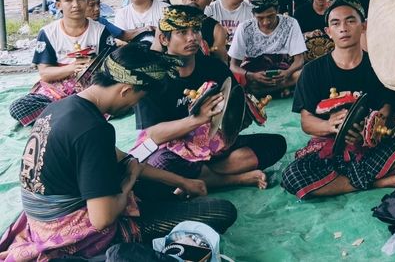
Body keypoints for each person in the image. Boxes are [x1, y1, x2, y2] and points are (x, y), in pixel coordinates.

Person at [0, 43, 237, 261]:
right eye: (137, 99)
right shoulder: (93, 129)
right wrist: (130, 180)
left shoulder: (62, 106)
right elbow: (102, 219)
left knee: (164, 174)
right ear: (125, 90)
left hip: (44, 220)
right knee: (221, 211)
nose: (134, 106)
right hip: (73, 230)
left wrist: (184, 182)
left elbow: (126, 160)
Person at [132, 6, 287, 199]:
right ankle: (234, 179)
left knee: (275, 144)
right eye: (182, 32)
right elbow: (153, 134)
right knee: (160, 164)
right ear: (164, 39)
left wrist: (242, 116)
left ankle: (199, 178)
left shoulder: (213, 66)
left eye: (195, 30)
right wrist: (197, 120)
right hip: (172, 149)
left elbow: (232, 109)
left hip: (213, 143)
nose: (192, 38)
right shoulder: (153, 77)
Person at [280, 0, 395, 199]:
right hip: (331, 146)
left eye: (350, 21)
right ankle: (374, 182)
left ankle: (342, 181)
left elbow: (387, 106)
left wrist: (372, 126)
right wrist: (331, 126)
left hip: (370, 145)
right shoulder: (312, 71)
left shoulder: (378, 66)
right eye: (336, 23)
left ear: (364, 26)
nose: (343, 28)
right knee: (293, 177)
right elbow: (307, 122)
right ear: (328, 32)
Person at [8, 0, 118, 128]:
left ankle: (62, 115)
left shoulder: (100, 31)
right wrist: (72, 68)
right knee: (18, 107)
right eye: (68, 0)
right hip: (55, 92)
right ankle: (75, 114)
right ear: (59, 5)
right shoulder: (48, 32)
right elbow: (45, 73)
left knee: (123, 100)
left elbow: (113, 66)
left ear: (87, 1)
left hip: (90, 90)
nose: (76, 5)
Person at [228, 0, 306, 97]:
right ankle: (281, 90)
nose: (266, 22)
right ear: (253, 14)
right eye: (260, 18)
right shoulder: (244, 27)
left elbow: (299, 60)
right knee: (235, 79)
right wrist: (252, 76)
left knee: (304, 74)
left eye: (270, 16)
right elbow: (233, 66)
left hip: (283, 74)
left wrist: (287, 73)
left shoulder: (291, 23)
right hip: (254, 75)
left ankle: (263, 91)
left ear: (277, 10)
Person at [179, 0, 229, 64]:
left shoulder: (216, 29)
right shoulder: (168, 23)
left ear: (209, 1)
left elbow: (222, 64)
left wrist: (208, 51)